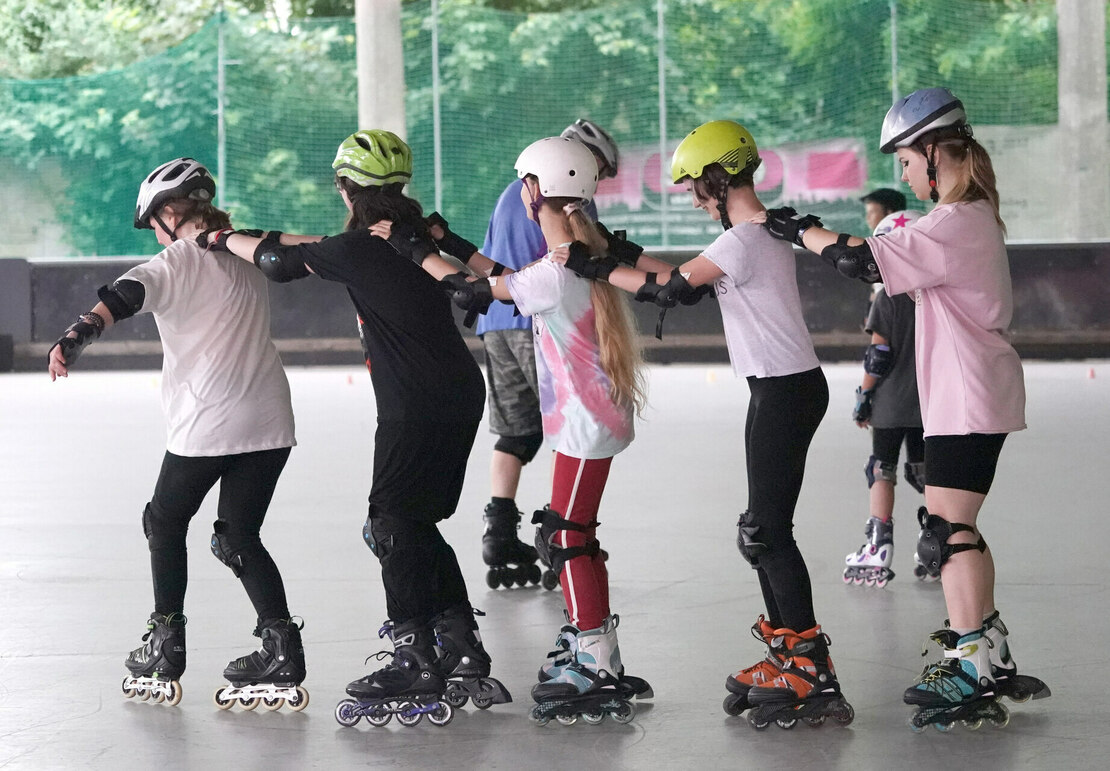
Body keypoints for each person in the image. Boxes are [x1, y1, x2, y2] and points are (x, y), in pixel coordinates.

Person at [205, 130, 510, 728]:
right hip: (460, 390)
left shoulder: (355, 248)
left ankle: (414, 654)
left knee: (389, 522)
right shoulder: (410, 237)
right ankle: (460, 641)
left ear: (345, 188)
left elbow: (279, 262)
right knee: (414, 520)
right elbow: (312, 244)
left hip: (413, 402)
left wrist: (217, 238)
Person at [762, 87, 1045, 730]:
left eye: (907, 161)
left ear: (933, 153)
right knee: (957, 524)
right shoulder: (962, 218)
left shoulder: (955, 222)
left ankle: (970, 661)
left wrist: (798, 228)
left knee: (949, 529)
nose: (905, 173)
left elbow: (862, 260)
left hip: (968, 393)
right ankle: (988, 647)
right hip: (969, 391)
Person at [561, 120, 854, 730]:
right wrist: (618, 254)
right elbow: (690, 277)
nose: (694, 198)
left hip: (784, 393)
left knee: (768, 533)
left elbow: (666, 290)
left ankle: (807, 668)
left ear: (720, 178)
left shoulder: (744, 241)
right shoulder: (751, 235)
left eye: (697, 186)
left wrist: (593, 265)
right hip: (783, 390)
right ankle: (790, 655)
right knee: (761, 530)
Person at [47, 158, 306, 710]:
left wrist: (73, 338)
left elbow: (121, 296)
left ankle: (166, 642)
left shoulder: (175, 262)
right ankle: (281, 645)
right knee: (238, 537)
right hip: (270, 420)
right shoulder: (246, 249)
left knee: (163, 522)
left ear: (168, 212)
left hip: (208, 423)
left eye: (154, 223)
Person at [473, 135, 651, 724]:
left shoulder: (554, 272)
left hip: (583, 424)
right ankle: (600, 649)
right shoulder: (580, 254)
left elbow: (489, 288)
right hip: (594, 417)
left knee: (566, 535)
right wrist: (446, 243)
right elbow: (505, 277)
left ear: (531, 193)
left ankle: (591, 655)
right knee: (576, 532)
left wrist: (422, 251)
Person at [474, 118, 621, 591]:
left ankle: (499, 531)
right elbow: (579, 268)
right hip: (539, 322)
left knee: (514, 432)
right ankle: (563, 528)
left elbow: (490, 260)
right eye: (594, 168)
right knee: (568, 423)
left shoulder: (514, 192)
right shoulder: (569, 205)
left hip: (495, 322)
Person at [842, 209, 926, 589]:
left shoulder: (888, 297)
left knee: (882, 468)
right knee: (930, 473)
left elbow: (879, 355)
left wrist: (864, 396)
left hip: (891, 404)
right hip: (931, 403)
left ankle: (878, 547)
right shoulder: (937, 293)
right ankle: (940, 542)